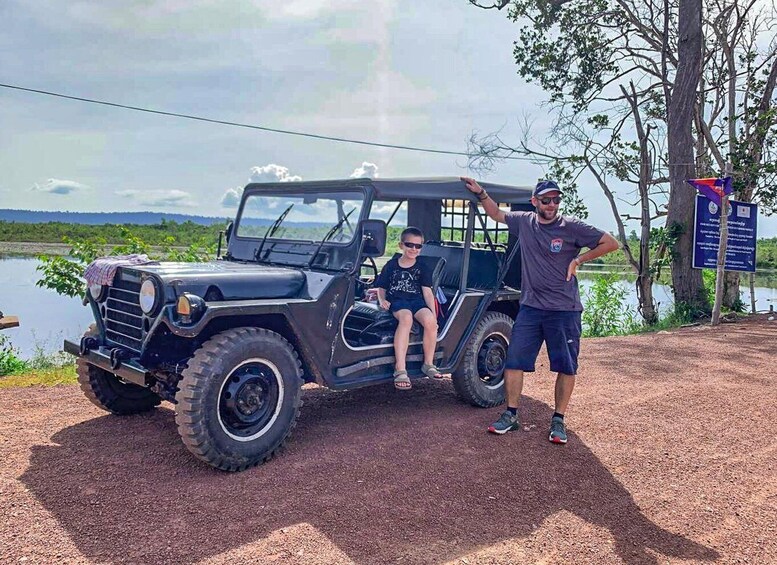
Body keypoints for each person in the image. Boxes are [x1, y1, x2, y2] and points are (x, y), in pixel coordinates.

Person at [462, 177, 620, 443]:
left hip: (564, 310)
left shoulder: (571, 227)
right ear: (535, 201)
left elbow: (610, 243)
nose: (552, 205)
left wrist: (578, 259)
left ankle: (558, 420)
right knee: (514, 362)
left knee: (566, 366)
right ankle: (511, 415)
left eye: (556, 200)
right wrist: (481, 193)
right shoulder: (524, 222)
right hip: (531, 308)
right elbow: (496, 213)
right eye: (546, 200)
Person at [375, 227, 443, 390]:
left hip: (416, 301)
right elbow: (381, 287)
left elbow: (427, 292)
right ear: (401, 245)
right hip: (398, 301)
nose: (413, 249)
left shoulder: (423, 266)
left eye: (417, 246)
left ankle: (428, 363)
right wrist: (382, 300)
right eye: (409, 245)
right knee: (406, 319)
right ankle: (400, 368)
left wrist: (433, 315)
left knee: (430, 322)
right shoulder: (391, 265)